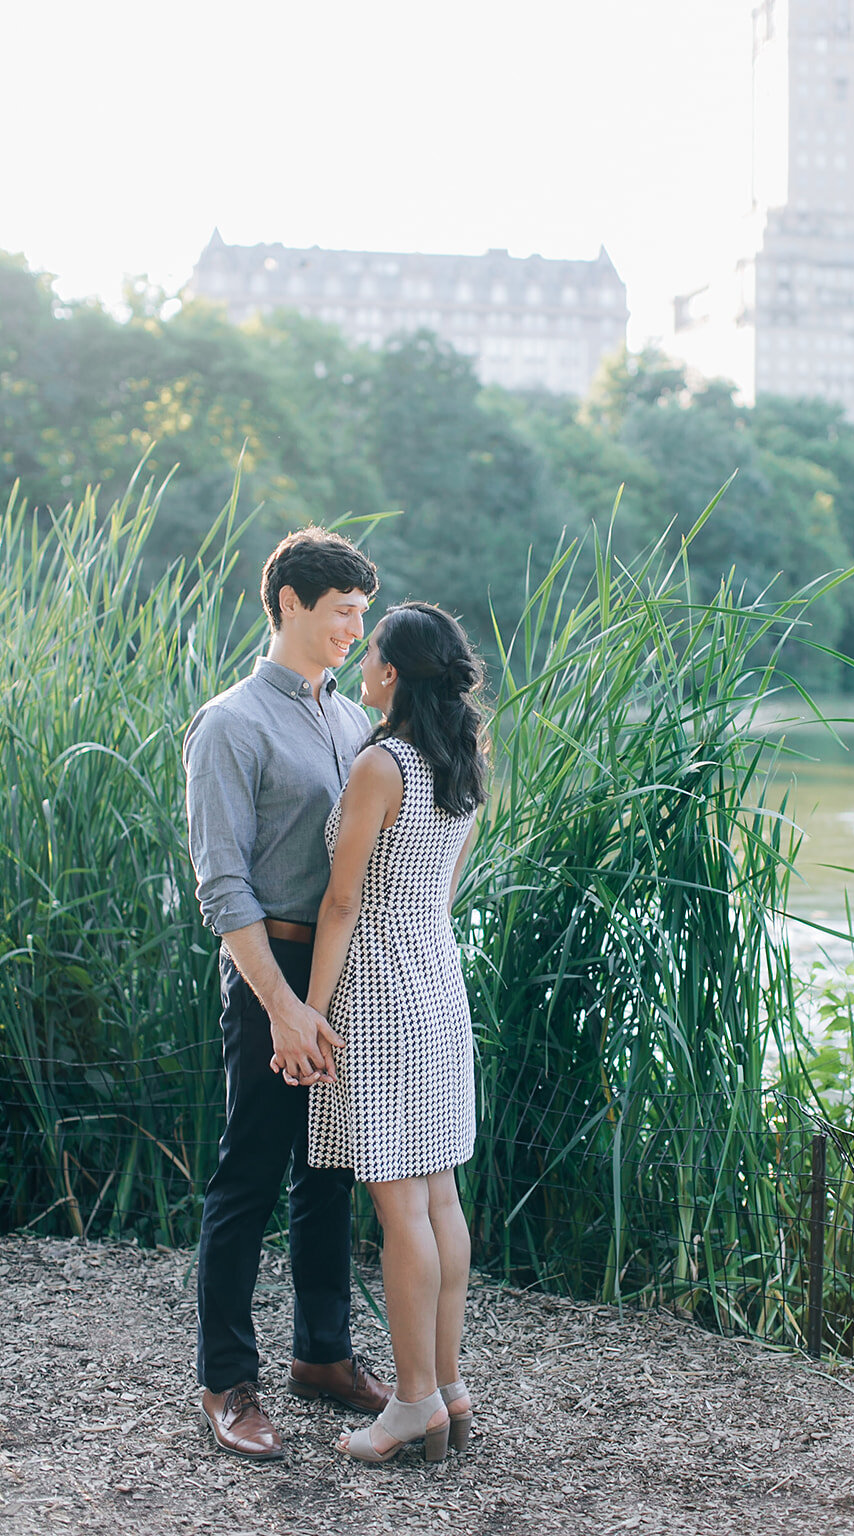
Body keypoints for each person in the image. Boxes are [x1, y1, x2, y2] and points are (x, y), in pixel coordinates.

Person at [183, 527, 391, 1461]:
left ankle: (322, 1357)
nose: (356, 626)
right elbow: (222, 886)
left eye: (363, 611)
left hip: (342, 980)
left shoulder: (352, 722)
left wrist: (333, 998)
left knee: (329, 1178)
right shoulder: (230, 722)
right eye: (341, 609)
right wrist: (281, 1006)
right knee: (248, 1177)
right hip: (270, 971)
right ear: (291, 604)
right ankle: (226, 1382)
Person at [289, 602, 488, 1465]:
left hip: (376, 990)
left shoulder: (382, 762)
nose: (363, 663)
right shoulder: (463, 763)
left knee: (401, 1202)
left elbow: (342, 900)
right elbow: (437, 891)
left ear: (394, 673)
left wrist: (314, 1011)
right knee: (438, 1193)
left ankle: (411, 1405)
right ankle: (446, 1388)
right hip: (437, 979)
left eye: (372, 652)